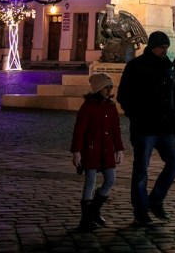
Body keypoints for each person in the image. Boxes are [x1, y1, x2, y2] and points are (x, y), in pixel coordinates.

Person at [116, 30, 175, 226]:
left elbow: (173, 93)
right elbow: (123, 96)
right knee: (141, 170)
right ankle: (140, 211)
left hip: (166, 126)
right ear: (153, 46)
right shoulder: (135, 66)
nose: (165, 50)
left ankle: (156, 200)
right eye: (162, 47)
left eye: (166, 47)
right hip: (144, 127)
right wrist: (136, 115)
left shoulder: (167, 66)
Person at [70, 73, 124, 232]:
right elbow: (79, 130)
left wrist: (119, 148)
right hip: (91, 149)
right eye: (106, 87)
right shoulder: (88, 106)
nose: (109, 90)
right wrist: (76, 151)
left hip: (106, 149)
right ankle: (86, 219)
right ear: (98, 88)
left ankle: (94, 210)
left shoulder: (111, 106)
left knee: (111, 179)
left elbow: (116, 129)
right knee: (90, 182)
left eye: (110, 87)